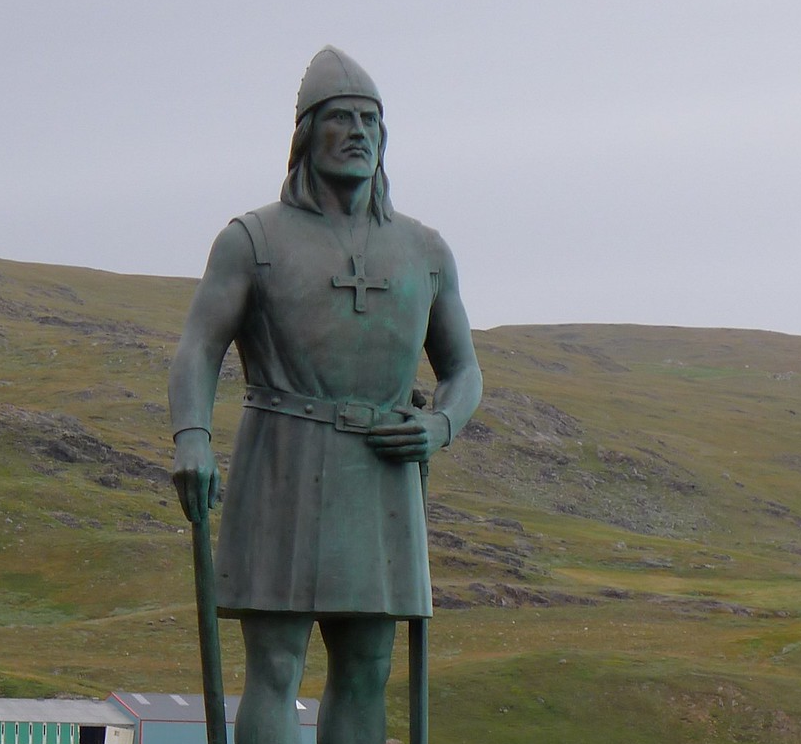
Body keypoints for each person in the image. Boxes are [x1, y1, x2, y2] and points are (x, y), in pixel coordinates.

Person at [169, 46, 482, 744]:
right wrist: (192, 437)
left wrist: (441, 428)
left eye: (370, 120)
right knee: (277, 662)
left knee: (368, 666)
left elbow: (463, 370)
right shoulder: (253, 240)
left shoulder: (424, 250)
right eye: (340, 118)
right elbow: (198, 347)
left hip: (380, 472)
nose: (359, 132)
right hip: (282, 458)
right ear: (307, 133)